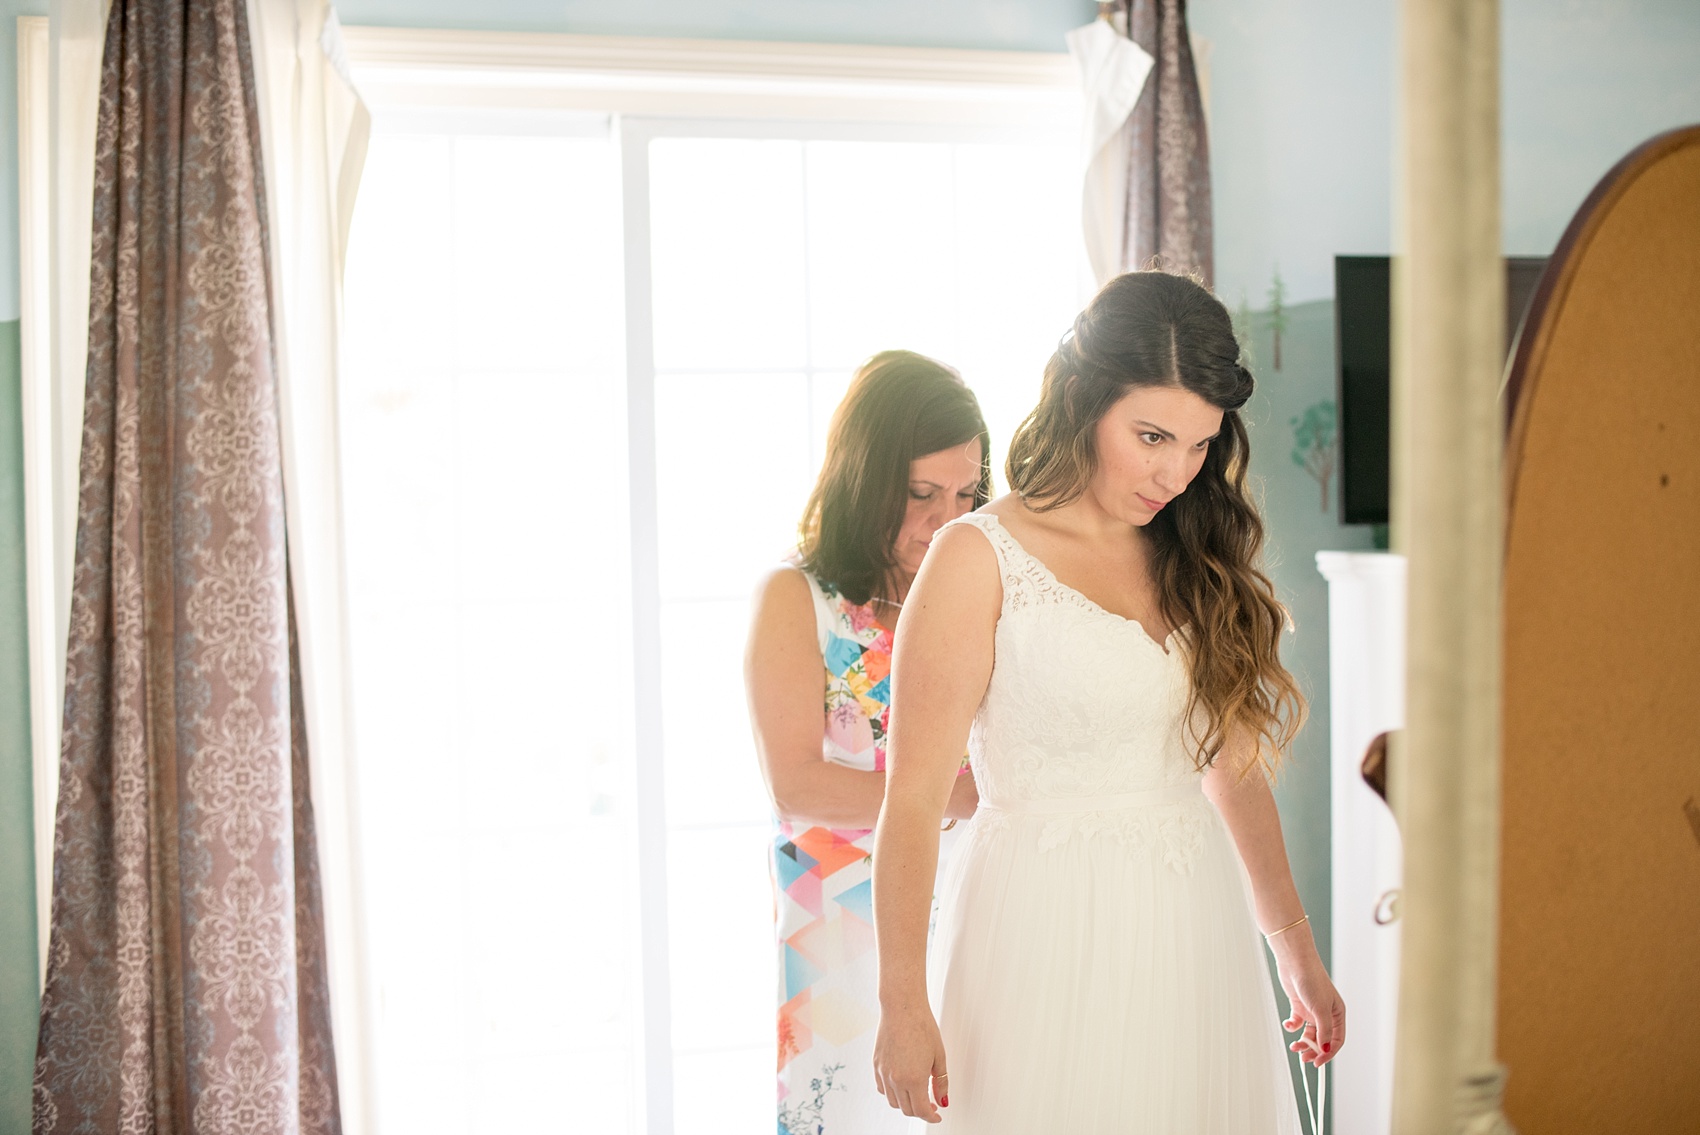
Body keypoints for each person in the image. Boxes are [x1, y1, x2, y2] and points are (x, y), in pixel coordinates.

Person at [870, 272, 1345, 1132]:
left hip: (1191, 927)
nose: (1175, 470)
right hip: (1041, 933)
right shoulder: (976, 557)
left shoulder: (1195, 554)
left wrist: (1298, 956)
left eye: (1199, 444)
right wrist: (902, 1002)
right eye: (1152, 434)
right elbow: (911, 799)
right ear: (1083, 400)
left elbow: (1234, 771)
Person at [746, 350, 989, 1135]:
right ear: (864, 477)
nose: (945, 519)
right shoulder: (798, 598)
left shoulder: (976, 596)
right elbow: (795, 784)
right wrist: (943, 795)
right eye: (920, 493)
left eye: (965, 494)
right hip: (839, 931)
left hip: (973, 911)